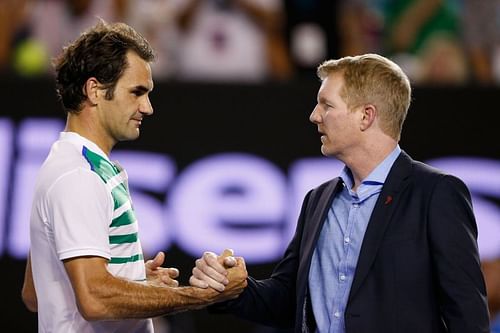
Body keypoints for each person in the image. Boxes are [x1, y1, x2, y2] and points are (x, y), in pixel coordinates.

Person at [189, 54, 490, 332]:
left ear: (366, 116)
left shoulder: (435, 193)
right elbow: (287, 300)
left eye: (326, 105)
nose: (314, 116)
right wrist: (233, 287)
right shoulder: (317, 200)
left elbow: (466, 315)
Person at [21, 20, 247, 333]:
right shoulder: (79, 176)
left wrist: (130, 280)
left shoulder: (72, 165)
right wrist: (198, 295)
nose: (148, 107)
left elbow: (36, 294)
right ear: (95, 90)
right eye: (137, 92)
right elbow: (95, 299)